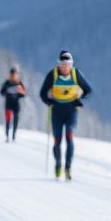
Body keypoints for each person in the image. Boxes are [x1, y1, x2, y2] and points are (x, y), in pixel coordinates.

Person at [39, 50, 92, 180]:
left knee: (69, 137)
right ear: (58, 64)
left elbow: (88, 90)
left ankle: (67, 168)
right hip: (56, 110)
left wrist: (80, 99)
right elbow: (42, 93)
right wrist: (49, 102)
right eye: (62, 64)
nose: (65, 67)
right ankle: (58, 164)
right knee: (57, 141)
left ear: (71, 64)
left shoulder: (76, 74)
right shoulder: (53, 74)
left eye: (67, 64)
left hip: (71, 110)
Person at [0, 66, 27, 142]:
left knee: (15, 120)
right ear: (9, 75)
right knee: (8, 120)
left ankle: (14, 135)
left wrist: (18, 94)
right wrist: (7, 93)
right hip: (8, 104)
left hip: (16, 104)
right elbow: (1, 92)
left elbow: (24, 94)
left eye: (14, 74)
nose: (12, 76)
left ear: (16, 75)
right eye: (11, 74)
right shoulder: (6, 83)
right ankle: (7, 136)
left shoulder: (19, 83)